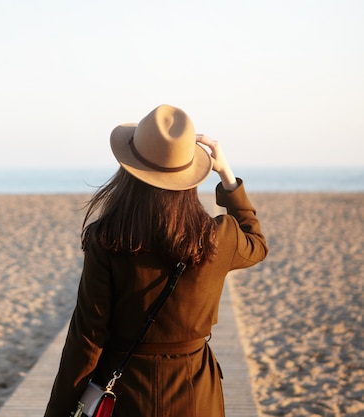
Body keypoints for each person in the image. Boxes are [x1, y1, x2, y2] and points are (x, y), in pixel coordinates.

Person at [43, 104, 268, 417]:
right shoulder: (219, 237)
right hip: (195, 394)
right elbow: (256, 242)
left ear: (129, 170)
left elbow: (87, 338)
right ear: (189, 175)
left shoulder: (107, 239)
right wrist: (226, 174)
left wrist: (57, 411)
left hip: (124, 394)